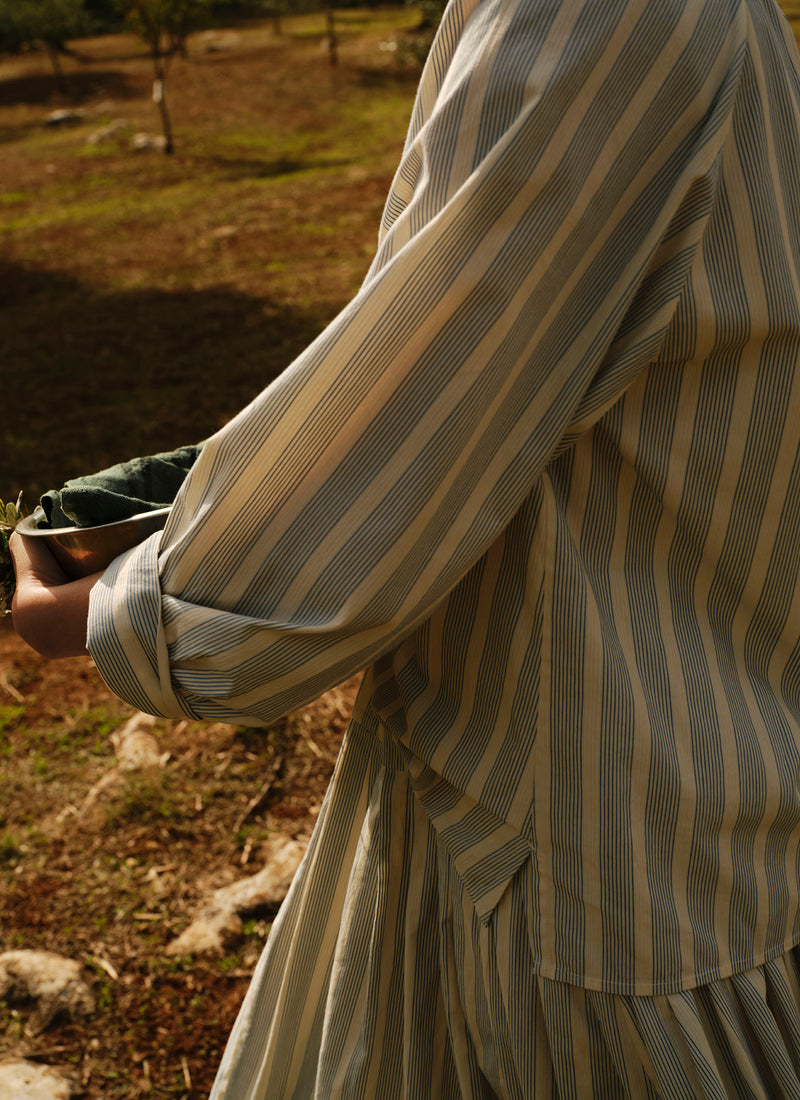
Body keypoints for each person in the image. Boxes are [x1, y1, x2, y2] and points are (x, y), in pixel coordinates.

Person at [12, 0, 800, 1094]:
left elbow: (423, 415)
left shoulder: (597, 14)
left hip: (579, 836)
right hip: (603, 774)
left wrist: (129, 611)